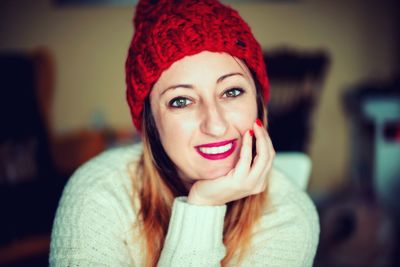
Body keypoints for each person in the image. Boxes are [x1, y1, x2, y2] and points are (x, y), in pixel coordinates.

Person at [49, 0, 320, 266]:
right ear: (150, 122)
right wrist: (202, 206)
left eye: (231, 92)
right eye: (181, 101)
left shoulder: (290, 215)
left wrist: (203, 204)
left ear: (258, 102)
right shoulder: (98, 192)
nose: (215, 125)